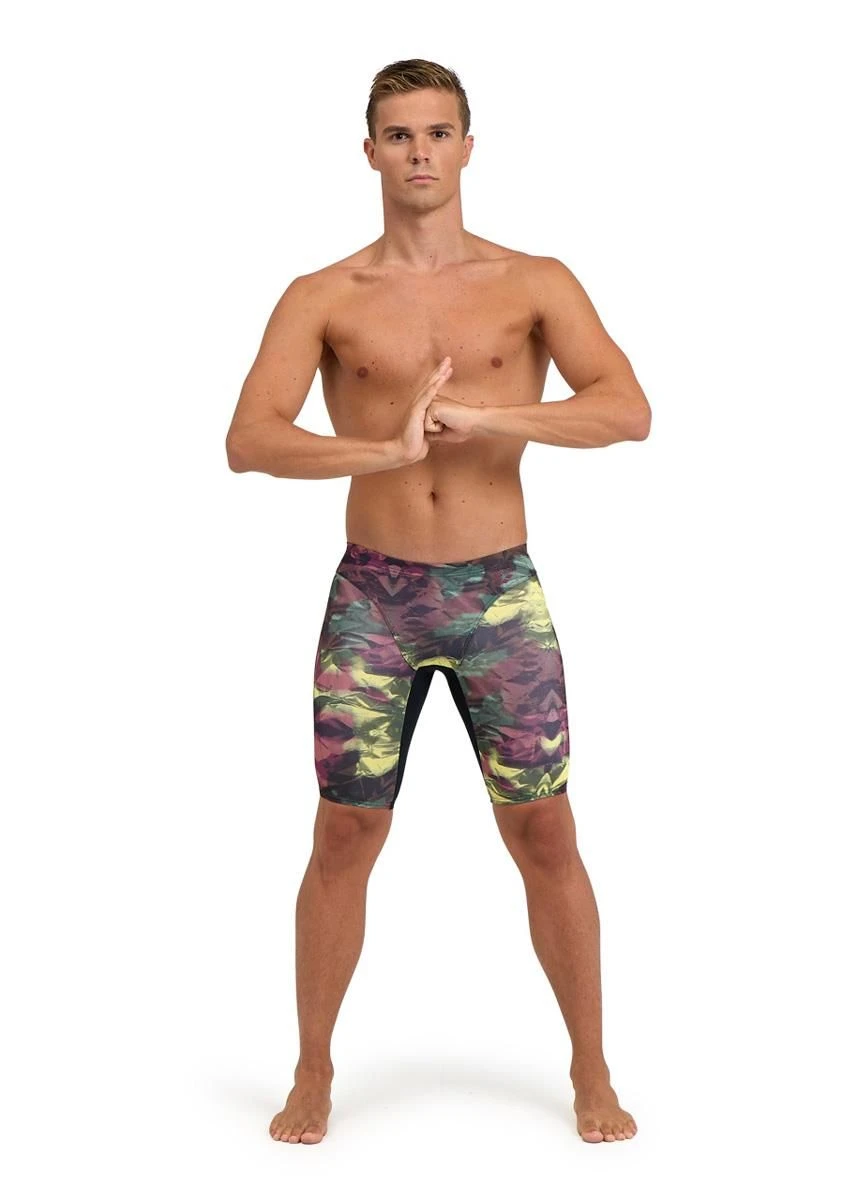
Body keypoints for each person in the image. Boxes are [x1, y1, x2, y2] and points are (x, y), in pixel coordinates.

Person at [225, 58, 650, 1146]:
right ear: (368, 151)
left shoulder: (532, 280)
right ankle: (312, 1070)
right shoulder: (322, 295)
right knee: (343, 833)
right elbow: (249, 439)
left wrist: (494, 419)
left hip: (497, 593)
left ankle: (591, 1071)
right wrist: (383, 448)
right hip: (375, 597)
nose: (419, 152)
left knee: (545, 829)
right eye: (399, 134)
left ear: (468, 147)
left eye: (438, 132)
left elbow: (625, 409)